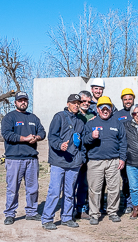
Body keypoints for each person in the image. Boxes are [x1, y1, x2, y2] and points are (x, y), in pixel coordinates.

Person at [41, 94, 86, 230]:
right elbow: (52, 136)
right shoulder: (59, 117)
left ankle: (67, 217)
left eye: (78, 103)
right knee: (54, 191)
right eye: (73, 103)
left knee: (69, 192)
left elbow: (82, 143)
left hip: (74, 162)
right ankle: (47, 219)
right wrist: (60, 145)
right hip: (58, 161)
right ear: (68, 104)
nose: (76, 105)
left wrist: (82, 158)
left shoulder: (80, 121)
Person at [1, 91, 46, 225]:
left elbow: (42, 132)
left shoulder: (33, 118)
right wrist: (24, 139)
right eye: (20, 100)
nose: (23, 102)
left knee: (32, 188)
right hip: (14, 158)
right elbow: (7, 134)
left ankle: (32, 212)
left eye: (25, 100)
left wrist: (36, 137)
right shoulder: (9, 117)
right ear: (15, 102)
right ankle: (10, 213)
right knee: (13, 188)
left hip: (31, 158)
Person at [83, 96, 127, 225]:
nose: (105, 110)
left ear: (111, 109)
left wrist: (122, 158)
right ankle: (94, 214)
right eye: (103, 108)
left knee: (114, 188)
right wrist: (91, 136)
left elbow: (123, 143)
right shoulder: (90, 123)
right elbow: (84, 141)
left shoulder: (117, 123)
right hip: (95, 162)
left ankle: (113, 212)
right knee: (94, 189)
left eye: (108, 108)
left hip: (113, 161)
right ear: (97, 109)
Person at [74, 90, 96, 220]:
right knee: (71, 184)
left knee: (84, 184)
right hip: (74, 154)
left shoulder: (92, 116)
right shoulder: (73, 115)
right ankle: (69, 209)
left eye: (89, 101)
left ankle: (81, 209)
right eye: (84, 101)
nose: (86, 103)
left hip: (88, 154)